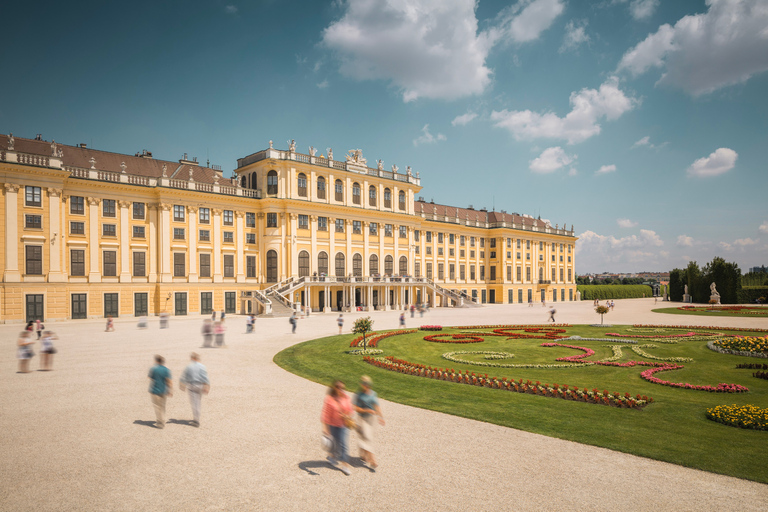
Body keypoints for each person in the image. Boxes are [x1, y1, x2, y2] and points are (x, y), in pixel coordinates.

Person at [321, 380, 354, 475]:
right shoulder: (329, 399)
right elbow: (325, 414)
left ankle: (345, 465)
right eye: (339, 387)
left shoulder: (346, 397)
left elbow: (350, 410)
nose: (341, 390)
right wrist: (325, 427)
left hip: (343, 425)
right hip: (332, 424)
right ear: (335, 388)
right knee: (334, 443)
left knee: (343, 444)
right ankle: (332, 456)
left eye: (343, 388)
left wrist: (347, 415)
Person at [354, 376, 385, 470]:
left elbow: (377, 406)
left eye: (367, 384)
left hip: (371, 420)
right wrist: (366, 410)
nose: (365, 385)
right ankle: (373, 460)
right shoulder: (359, 395)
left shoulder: (373, 394)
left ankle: (363, 453)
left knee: (364, 437)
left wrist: (380, 417)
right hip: (362, 418)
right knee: (367, 438)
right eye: (364, 383)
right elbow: (355, 407)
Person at [179, 353, 210, 427]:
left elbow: (184, 376)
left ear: (192, 358)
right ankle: (197, 418)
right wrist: (207, 386)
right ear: (197, 358)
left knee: (194, 402)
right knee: (198, 402)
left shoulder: (189, 366)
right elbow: (205, 377)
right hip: (200, 385)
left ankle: (196, 420)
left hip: (192, 385)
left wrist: (182, 385)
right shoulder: (202, 366)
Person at [148, 355, 172, 429]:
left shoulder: (153, 369)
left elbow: (150, 378)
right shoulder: (166, 370)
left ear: (156, 361)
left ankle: (160, 422)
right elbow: (169, 381)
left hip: (155, 390)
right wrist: (170, 390)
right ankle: (163, 420)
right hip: (163, 390)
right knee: (162, 406)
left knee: (157, 407)